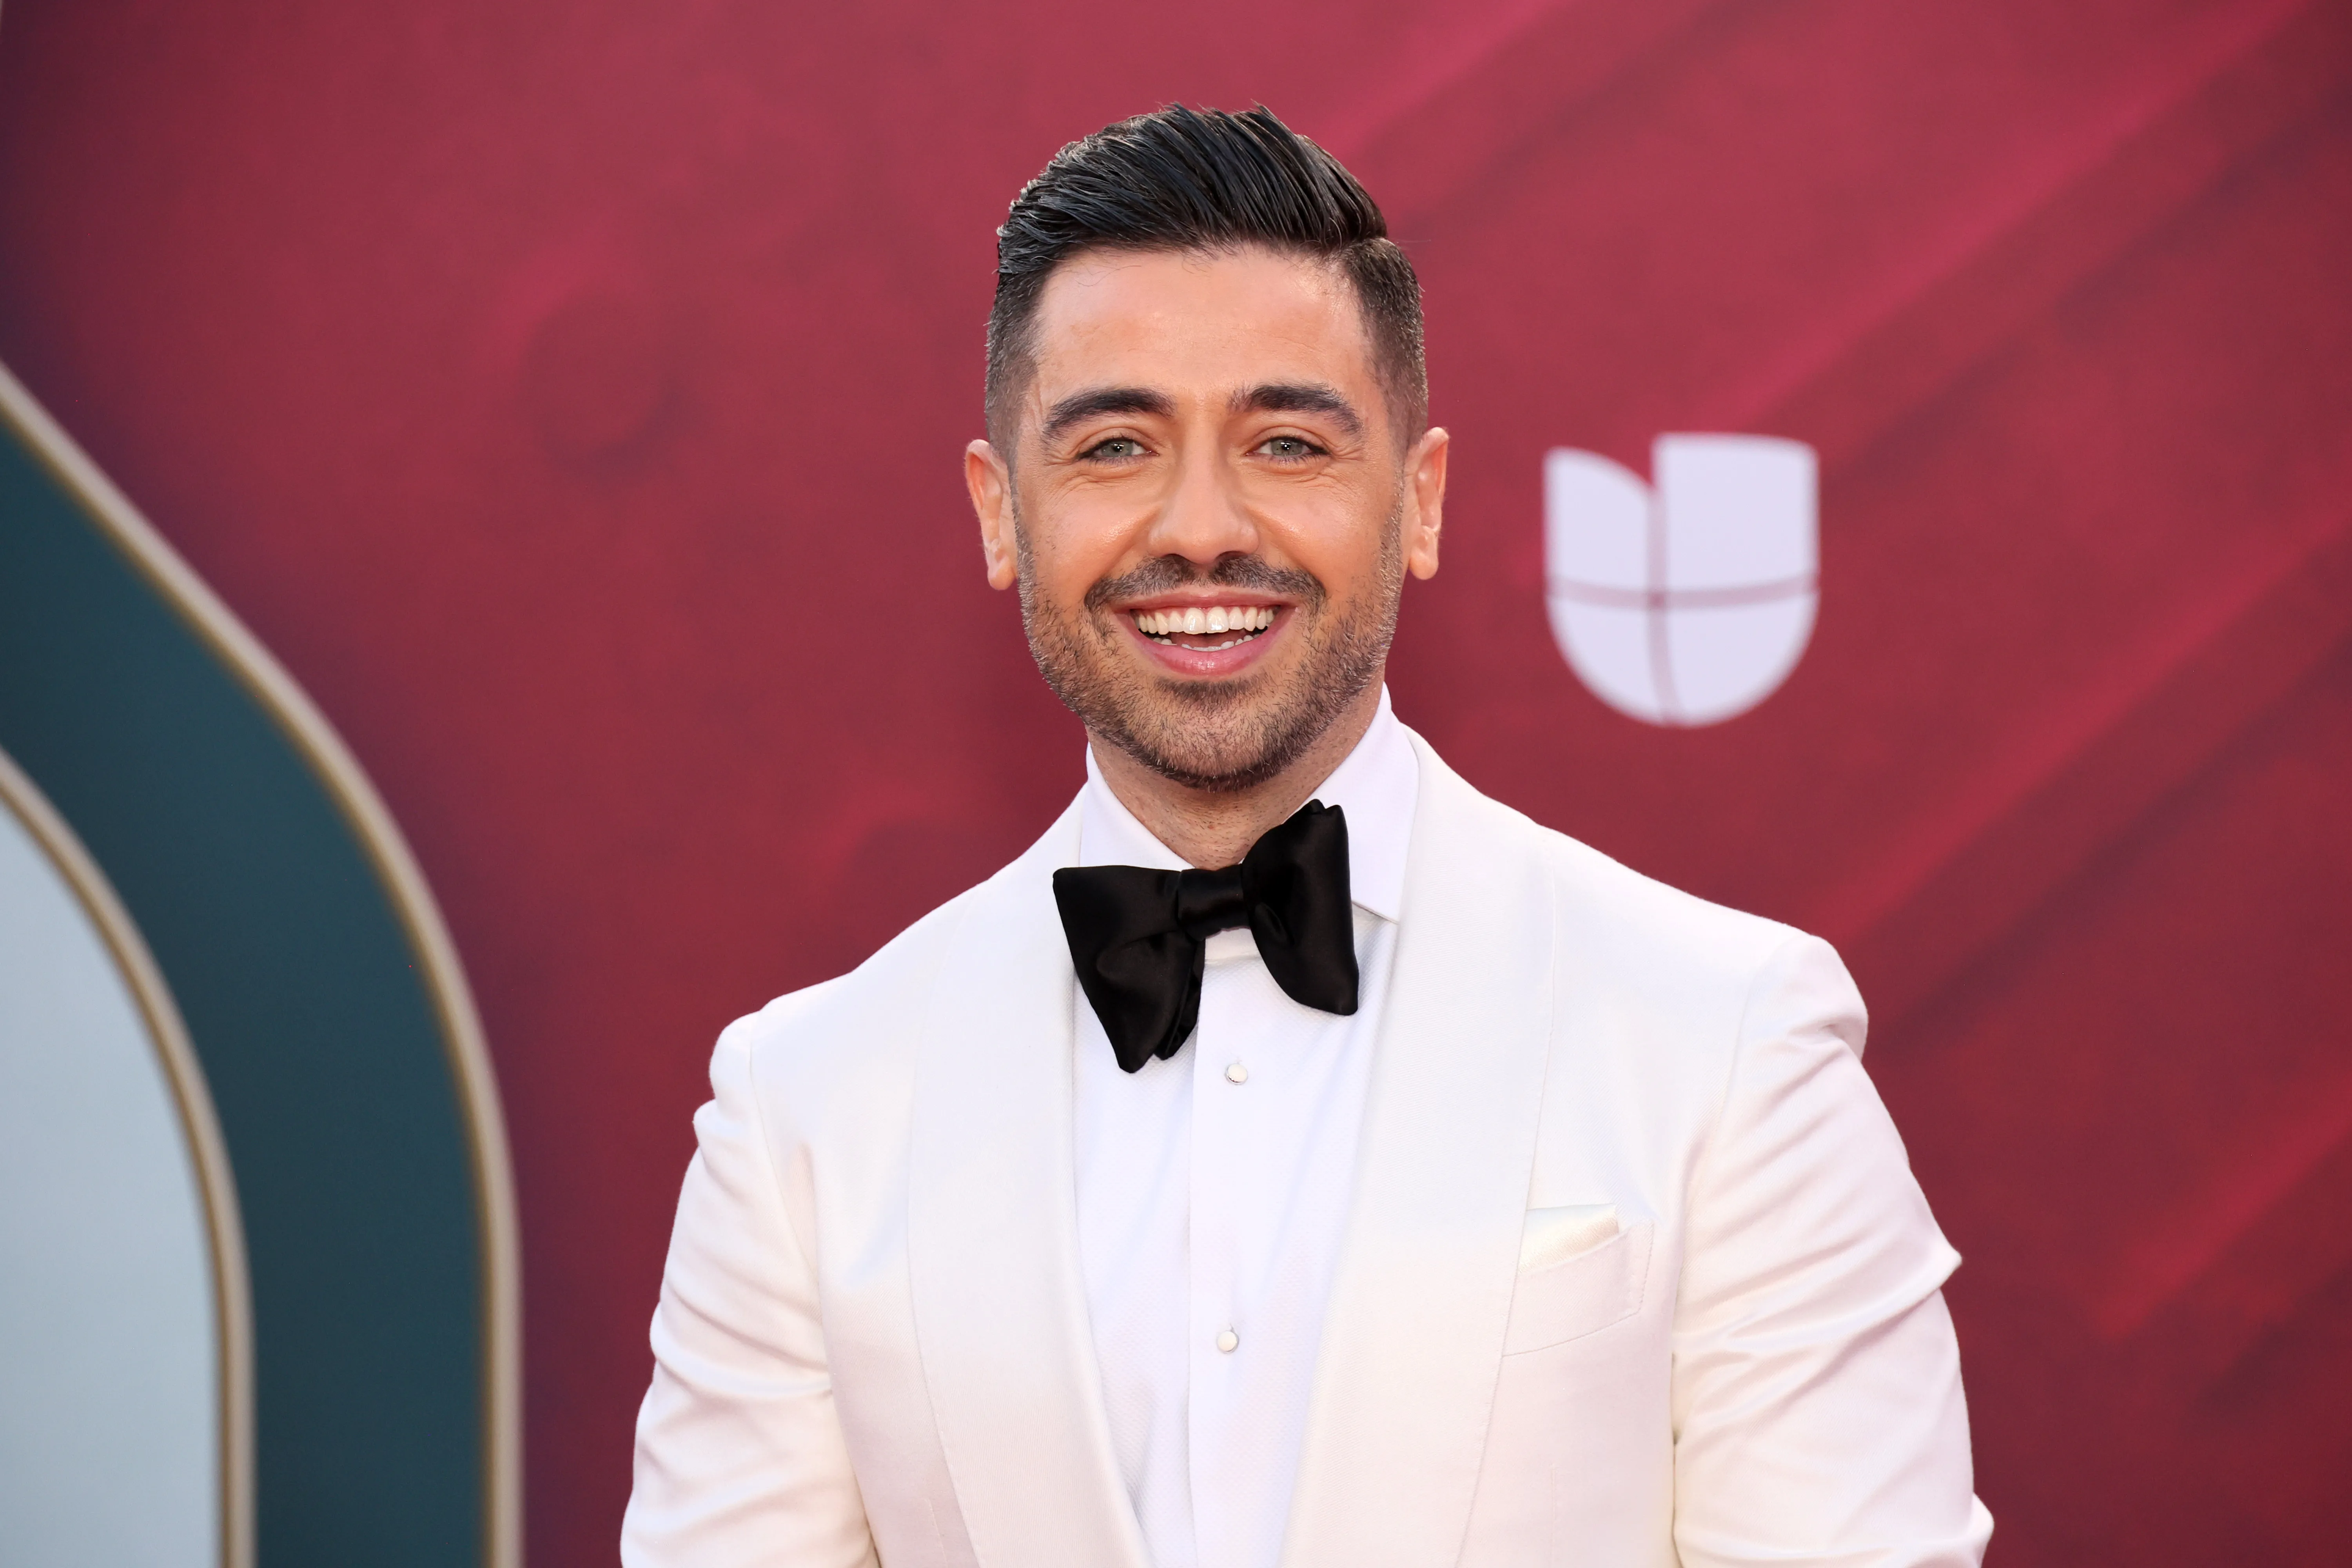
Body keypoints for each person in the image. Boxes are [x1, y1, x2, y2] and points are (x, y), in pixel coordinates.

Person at [622, 104, 1992, 1568]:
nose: (1203, 527)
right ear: (998, 512)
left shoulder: (1732, 1044)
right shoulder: (804, 1113)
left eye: (1285, 442)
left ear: (1418, 499)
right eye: (1113, 446)